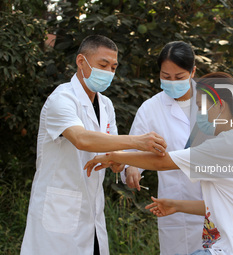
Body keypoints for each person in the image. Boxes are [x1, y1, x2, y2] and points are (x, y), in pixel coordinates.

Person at [85, 72, 233, 255]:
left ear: (219, 106)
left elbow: (162, 162)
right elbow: (222, 205)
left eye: (201, 107)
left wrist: (114, 156)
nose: (198, 114)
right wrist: (176, 205)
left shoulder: (227, 145)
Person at [20, 35, 167, 255]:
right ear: (81, 61)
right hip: (59, 211)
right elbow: (82, 139)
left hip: (91, 212)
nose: (108, 72)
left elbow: (112, 150)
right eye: (103, 65)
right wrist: (137, 141)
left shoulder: (106, 105)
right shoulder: (61, 99)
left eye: (113, 67)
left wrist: (123, 164)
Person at [120, 41, 205, 255]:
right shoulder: (151, 108)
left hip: (214, 206)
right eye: (166, 77)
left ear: (193, 71)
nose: (172, 82)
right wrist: (131, 169)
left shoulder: (214, 103)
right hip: (175, 214)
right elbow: (132, 151)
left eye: (179, 77)